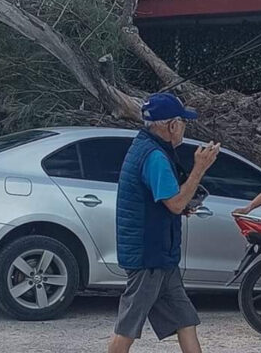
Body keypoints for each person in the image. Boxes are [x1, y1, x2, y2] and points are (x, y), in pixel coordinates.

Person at [108, 93, 219, 353]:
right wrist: (199, 168)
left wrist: (179, 208)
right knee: (127, 329)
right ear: (171, 125)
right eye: (182, 122)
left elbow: (166, 202)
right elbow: (175, 203)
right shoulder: (155, 157)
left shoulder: (146, 147)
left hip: (161, 256)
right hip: (149, 257)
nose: (184, 128)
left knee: (186, 320)